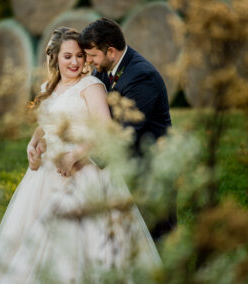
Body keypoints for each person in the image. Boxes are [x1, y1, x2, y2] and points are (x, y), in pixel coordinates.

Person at [0, 27, 161, 283]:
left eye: (80, 56)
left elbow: (105, 129)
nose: (75, 62)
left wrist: (76, 156)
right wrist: (34, 140)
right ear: (55, 57)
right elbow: (48, 123)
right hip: (46, 175)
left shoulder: (91, 86)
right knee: (32, 236)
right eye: (67, 56)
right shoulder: (48, 86)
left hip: (83, 172)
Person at [78, 18, 176, 241]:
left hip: (151, 168)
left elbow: (126, 135)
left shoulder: (142, 77)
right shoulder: (104, 69)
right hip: (127, 167)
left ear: (110, 51)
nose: (88, 61)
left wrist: (85, 159)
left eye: (92, 55)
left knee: (157, 234)